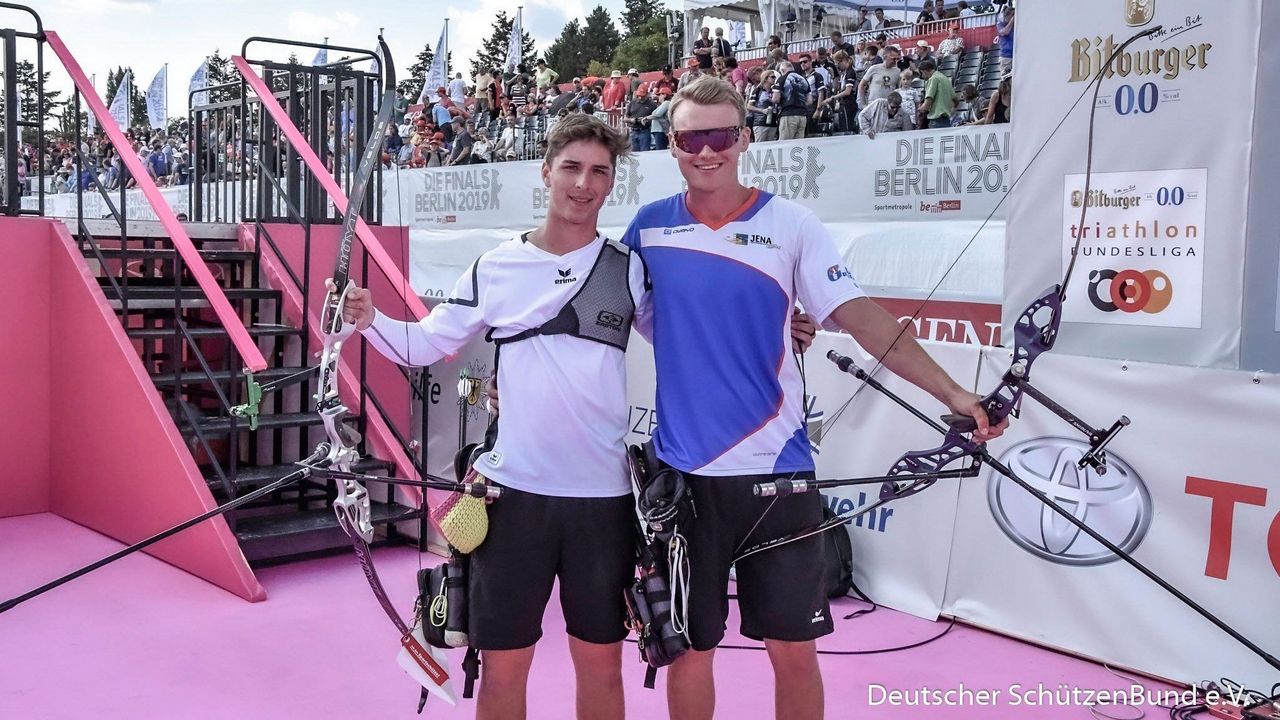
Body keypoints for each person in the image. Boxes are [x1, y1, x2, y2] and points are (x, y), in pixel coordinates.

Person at [622, 77, 1006, 720]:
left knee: (793, 651)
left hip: (777, 473)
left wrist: (953, 391)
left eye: (720, 135)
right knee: (688, 650)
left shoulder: (791, 224)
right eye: (691, 137)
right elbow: (594, 308)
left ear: (743, 139)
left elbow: (858, 316)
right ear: (672, 144)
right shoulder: (648, 228)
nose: (706, 150)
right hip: (685, 479)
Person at [333, 115, 648, 720]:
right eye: (572, 168)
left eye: (599, 172)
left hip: (603, 503)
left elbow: (693, 338)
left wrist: (783, 327)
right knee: (503, 669)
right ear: (546, 171)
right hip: (512, 501)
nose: (584, 183)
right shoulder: (497, 265)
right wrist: (368, 321)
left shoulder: (629, 269)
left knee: (603, 668)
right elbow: (424, 345)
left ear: (612, 183)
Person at [918, 58, 955, 129]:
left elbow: (927, 103)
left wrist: (919, 109)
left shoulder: (933, 79)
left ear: (924, 71)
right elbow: (955, 100)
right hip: (946, 120)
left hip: (936, 121)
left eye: (921, 73)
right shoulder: (945, 79)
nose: (922, 77)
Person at [997, 6, 1015, 76]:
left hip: (1015, 55)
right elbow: (1005, 32)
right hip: (1006, 56)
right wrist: (1011, 22)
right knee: (1006, 79)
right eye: (1013, 15)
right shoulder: (1000, 24)